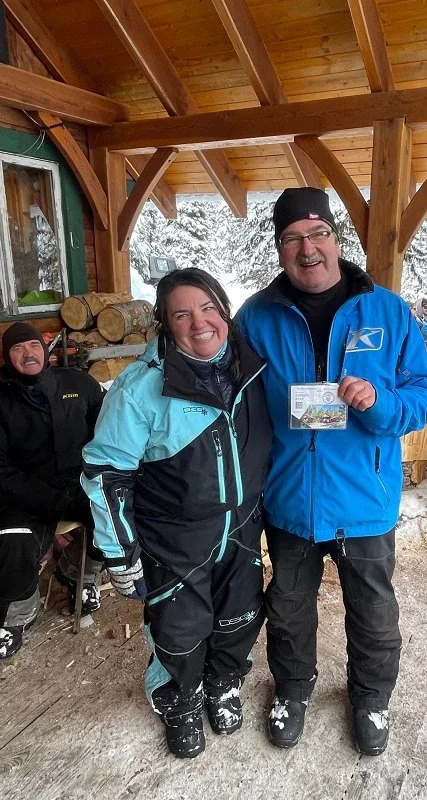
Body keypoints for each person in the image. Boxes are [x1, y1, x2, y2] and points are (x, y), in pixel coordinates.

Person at [236, 187, 427, 757]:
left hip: (363, 498)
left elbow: (426, 392)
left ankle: (371, 696)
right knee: (289, 606)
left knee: (373, 611)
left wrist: (379, 402)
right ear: (280, 249)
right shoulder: (256, 317)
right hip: (289, 498)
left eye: (317, 234)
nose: (308, 248)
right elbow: (226, 391)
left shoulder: (387, 311)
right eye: (292, 238)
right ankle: (293, 690)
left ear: (335, 239)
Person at [81, 269, 272, 760]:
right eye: (182, 314)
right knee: (179, 627)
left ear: (225, 311)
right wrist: (120, 553)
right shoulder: (141, 388)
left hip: (243, 527)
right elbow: (106, 473)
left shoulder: (253, 366)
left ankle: (224, 681)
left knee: (240, 617)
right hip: (174, 536)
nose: (199, 322)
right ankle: (180, 699)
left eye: (208, 308)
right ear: (166, 324)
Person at [0, 322, 104, 660]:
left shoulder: (77, 383)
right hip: (24, 495)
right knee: (13, 539)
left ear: (45, 350)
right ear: (7, 356)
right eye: (18, 348)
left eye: (33, 345)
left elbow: (110, 432)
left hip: (80, 484)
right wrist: (53, 502)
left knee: (116, 517)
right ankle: (17, 615)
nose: (28, 353)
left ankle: (77, 574)